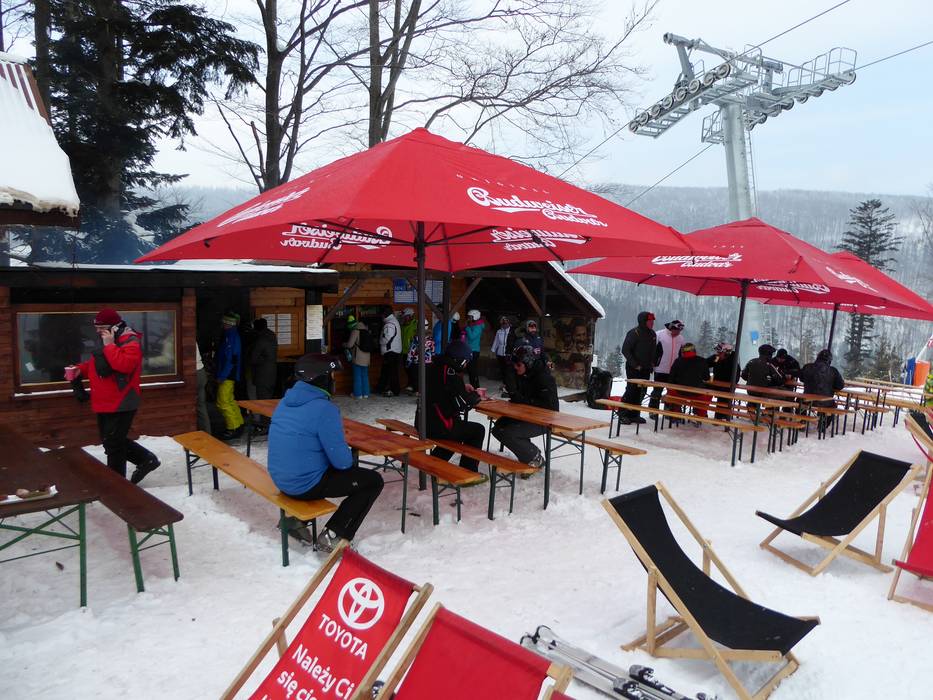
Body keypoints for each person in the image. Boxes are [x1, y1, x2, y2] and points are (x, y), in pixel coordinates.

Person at [268, 354, 384, 552]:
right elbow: (342, 462)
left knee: (318, 463)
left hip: (281, 478)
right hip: (304, 484)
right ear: (320, 378)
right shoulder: (324, 409)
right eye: (331, 375)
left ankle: (295, 522)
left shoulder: (285, 402)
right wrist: (349, 459)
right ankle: (334, 535)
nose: (333, 380)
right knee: (372, 481)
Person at [71, 309, 160, 484]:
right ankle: (145, 459)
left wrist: (110, 345)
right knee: (111, 441)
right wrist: (80, 369)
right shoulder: (108, 339)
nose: (98, 331)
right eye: (96, 327)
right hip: (104, 400)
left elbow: (124, 365)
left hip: (122, 400)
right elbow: (98, 364)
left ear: (115, 326)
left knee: (114, 444)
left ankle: (116, 484)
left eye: (101, 327)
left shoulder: (130, 341)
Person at [418, 340, 486, 472]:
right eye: (466, 362)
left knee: (459, 432)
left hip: (422, 422)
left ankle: (435, 462)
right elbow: (463, 404)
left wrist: (462, 387)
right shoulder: (450, 373)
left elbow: (443, 390)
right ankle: (468, 470)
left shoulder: (433, 367)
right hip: (439, 426)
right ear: (460, 360)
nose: (466, 365)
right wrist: (476, 395)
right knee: (478, 430)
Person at [490, 345, 557, 467]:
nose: (515, 367)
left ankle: (534, 458)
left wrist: (523, 400)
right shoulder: (524, 374)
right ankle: (528, 454)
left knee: (509, 432)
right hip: (525, 414)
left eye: (518, 365)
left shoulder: (544, 378)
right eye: (514, 365)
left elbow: (551, 408)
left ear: (528, 363)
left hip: (544, 419)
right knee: (498, 428)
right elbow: (517, 394)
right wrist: (512, 387)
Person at [619, 311, 657, 424]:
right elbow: (625, 350)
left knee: (642, 391)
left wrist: (652, 363)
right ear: (643, 321)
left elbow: (652, 351)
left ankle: (634, 414)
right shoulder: (634, 333)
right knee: (631, 390)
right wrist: (635, 365)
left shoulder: (652, 334)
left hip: (646, 368)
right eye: (649, 321)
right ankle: (623, 414)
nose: (652, 323)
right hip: (633, 368)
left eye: (652, 321)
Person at [216, 311, 244, 440]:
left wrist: (222, 375)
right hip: (230, 374)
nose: (222, 324)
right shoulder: (230, 335)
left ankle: (232, 428)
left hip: (228, 375)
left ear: (229, 323)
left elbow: (231, 359)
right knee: (230, 400)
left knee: (223, 402)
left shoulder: (231, 337)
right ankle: (239, 424)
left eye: (224, 322)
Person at [247, 318, 278, 431]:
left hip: (262, 375)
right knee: (268, 400)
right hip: (272, 372)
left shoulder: (260, 340)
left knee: (263, 401)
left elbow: (253, 359)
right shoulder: (272, 336)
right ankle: (269, 423)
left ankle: (265, 426)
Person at [668, 342, 712, 417]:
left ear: (683, 352)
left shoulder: (678, 361)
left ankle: (676, 413)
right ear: (694, 351)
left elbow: (671, 378)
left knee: (673, 393)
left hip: (679, 393)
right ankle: (699, 414)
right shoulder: (702, 361)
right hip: (697, 394)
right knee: (708, 394)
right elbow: (706, 378)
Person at [649, 319, 685, 409]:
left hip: (674, 371)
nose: (678, 333)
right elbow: (651, 350)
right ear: (671, 328)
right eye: (677, 330)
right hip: (660, 369)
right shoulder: (659, 335)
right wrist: (651, 363)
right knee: (657, 391)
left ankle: (668, 410)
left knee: (672, 392)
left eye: (680, 331)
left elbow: (682, 353)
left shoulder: (680, 338)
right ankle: (653, 410)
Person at [707, 341, 739, 419]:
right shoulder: (717, 358)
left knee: (723, 396)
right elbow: (705, 364)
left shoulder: (733, 363)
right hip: (716, 384)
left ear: (726, 353)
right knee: (702, 390)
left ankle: (721, 417)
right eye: (717, 352)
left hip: (727, 388)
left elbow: (736, 379)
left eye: (719, 352)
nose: (717, 353)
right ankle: (700, 412)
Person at [342, 315, 371, 399]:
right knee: (365, 375)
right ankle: (366, 393)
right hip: (367, 357)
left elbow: (350, 344)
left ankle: (358, 394)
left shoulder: (355, 330)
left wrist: (344, 344)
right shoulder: (366, 330)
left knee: (357, 376)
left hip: (358, 357)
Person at [376, 307, 402, 396]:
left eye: (381, 314)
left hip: (390, 351)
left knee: (391, 372)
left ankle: (394, 390)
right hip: (394, 351)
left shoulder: (389, 324)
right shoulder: (394, 321)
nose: (381, 316)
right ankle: (385, 388)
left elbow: (387, 338)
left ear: (384, 314)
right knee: (389, 372)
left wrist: (379, 342)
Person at [405, 319, 435, 394]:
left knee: (417, 379)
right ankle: (426, 393)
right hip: (428, 363)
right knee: (427, 379)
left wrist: (408, 362)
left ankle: (418, 392)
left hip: (417, 362)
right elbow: (433, 352)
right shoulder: (431, 339)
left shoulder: (416, 339)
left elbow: (411, 351)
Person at [463, 309, 485, 387]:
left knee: (472, 370)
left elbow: (472, 337)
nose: (468, 318)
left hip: (474, 350)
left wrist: (467, 328)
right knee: (470, 370)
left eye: (470, 317)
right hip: (469, 350)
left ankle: (476, 386)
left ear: (475, 317)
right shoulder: (473, 325)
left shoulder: (478, 326)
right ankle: (473, 386)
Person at [399, 308, 418, 392]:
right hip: (404, 351)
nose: (404, 318)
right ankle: (410, 384)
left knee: (412, 370)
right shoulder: (403, 325)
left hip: (412, 351)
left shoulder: (416, 324)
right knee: (407, 369)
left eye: (405, 316)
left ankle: (413, 386)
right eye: (404, 317)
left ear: (410, 316)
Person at [195, 343, 211, 433]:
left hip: (194, 373)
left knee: (194, 405)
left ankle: (203, 434)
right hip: (200, 371)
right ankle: (206, 433)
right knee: (201, 406)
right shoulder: (193, 339)